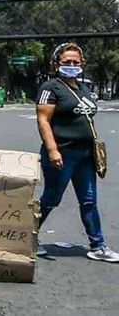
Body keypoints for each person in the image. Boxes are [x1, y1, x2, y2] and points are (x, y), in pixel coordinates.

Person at [35, 42, 118, 262]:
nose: (72, 65)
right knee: (51, 198)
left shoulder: (83, 89)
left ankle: (98, 245)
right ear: (56, 64)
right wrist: (52, 151)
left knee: (89, 200)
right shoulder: (50, 87)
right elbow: (43, 120)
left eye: (75, 62)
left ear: (82, 64)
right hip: (62, 153)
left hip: (85, 156)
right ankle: (26, 237)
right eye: (66, 62)